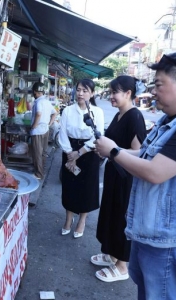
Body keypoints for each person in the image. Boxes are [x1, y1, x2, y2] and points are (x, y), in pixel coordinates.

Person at [94, 51, 176, 299]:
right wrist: (117, 150)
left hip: (171, 240)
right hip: (151, 233)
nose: (153, 91)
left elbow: (155, 172)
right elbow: (144, 153)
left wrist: (113, 152)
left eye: (159, 84)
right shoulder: (170, 121)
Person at [91, 76, 147, 283]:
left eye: (115, 92)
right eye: (111, 92)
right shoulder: (119, 115)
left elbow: (139, 152)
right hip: (113, 173)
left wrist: (113, 151)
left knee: (123, 218)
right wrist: (104, 151)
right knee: (111, 214)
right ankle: (112, 255)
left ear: (128, 94)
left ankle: (123, 265)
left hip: (126, 177)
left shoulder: (135, 117)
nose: (111, 96)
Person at [58, 79, 104, 238]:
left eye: (85, 90)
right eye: (78, 90)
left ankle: (82, 221)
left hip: (88, 154)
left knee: (86, 189)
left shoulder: (97, 112)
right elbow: (62, 132)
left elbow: (98, 136)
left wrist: (80, 152)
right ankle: (68, 219)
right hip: (69, 151)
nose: (80, 93)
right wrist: (70, 153)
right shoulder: (68, 111)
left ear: (91, 93)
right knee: (70, 187)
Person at [30, 82, 57, 180]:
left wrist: (34, 126)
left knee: (37, 152)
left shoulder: (38, 102)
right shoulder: (47, 101)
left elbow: (38, 114)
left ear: (35, 92)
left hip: (37, 131)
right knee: (43, 152)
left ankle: (39, 174)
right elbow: (55, 113)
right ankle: (41, 171)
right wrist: (49, 124)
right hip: (45, 129)